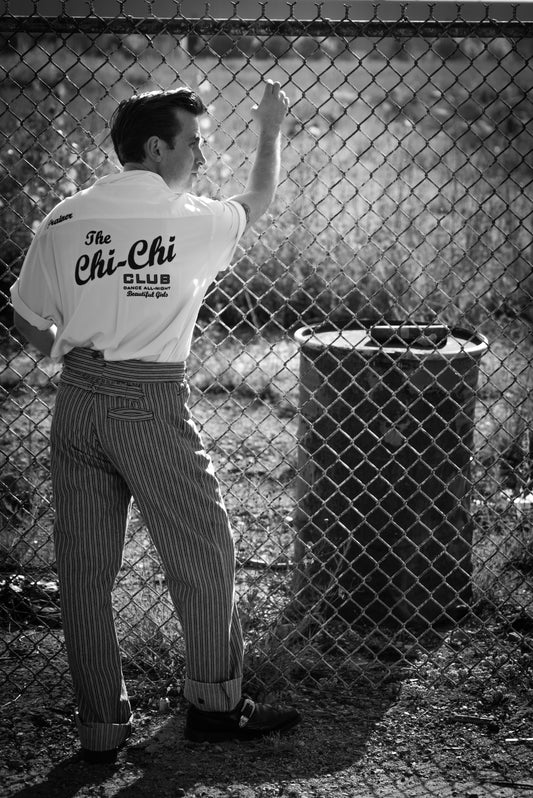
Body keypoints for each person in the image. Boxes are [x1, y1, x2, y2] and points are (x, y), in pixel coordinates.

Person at [11, 80, 301, 763]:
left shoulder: (64, 217)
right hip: (147, 399)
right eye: (193, 144)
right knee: (203, 548)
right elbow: (257, 201)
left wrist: (74, 347)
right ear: (155, 146)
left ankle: (100, 732)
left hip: (78, 398)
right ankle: (214, 705)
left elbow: (26, 319)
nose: (199, 157)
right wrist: (269, 131)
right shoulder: (191, 219)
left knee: (84, 572)